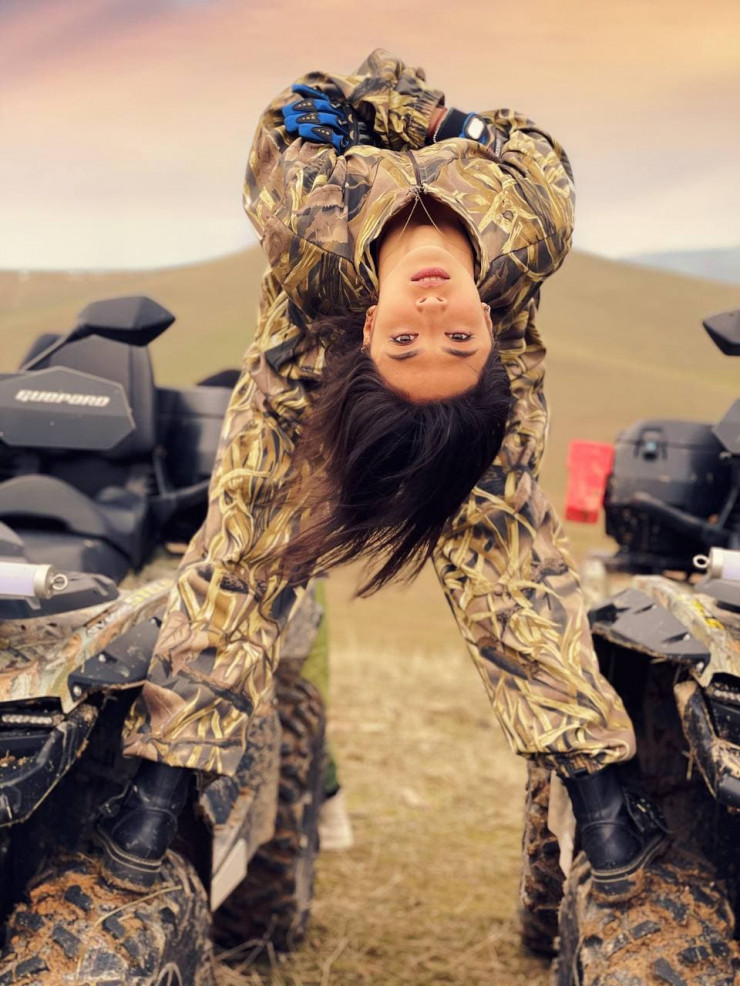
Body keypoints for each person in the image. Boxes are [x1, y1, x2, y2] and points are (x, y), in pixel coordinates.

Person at [99, 49, 667, 904]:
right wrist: (433, 120)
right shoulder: (530, 227)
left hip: (472, 406)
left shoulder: (312, 224)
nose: (433, 313)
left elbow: (284, 125)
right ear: (370, 329)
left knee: (509, 572)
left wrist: (361, 111)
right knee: (245, 557)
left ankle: (602, 803)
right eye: (436, 336)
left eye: (426, 337)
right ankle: (160, 790)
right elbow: (531, 144)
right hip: (311, 379)